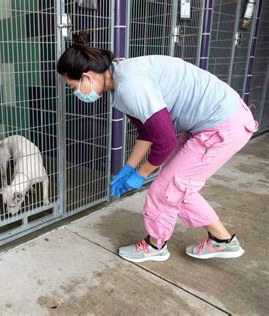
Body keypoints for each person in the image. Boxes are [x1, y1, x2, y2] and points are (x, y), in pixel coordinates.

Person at [56, 32, 258, 263]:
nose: (74, 93)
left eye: (72, 86)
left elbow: (165, 141)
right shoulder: (120, 76)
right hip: (213, 123)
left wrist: (140, 175)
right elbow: (147, 132)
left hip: (221, 126)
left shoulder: (131, 85)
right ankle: (221, 240)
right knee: (177, 188)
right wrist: (128, 169)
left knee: (165, 189)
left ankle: (155, 246)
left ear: (87, 77)